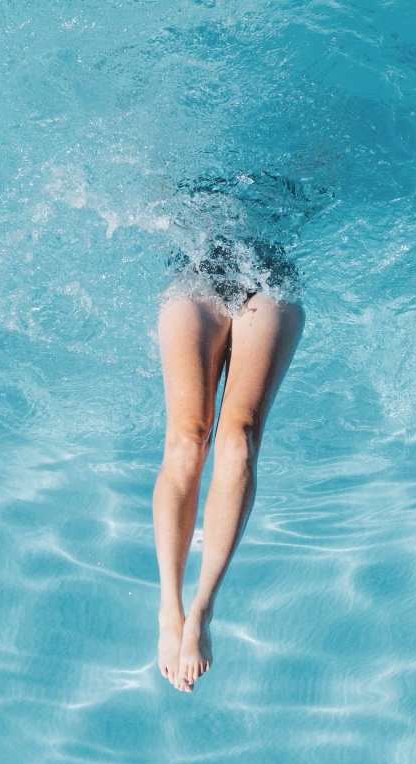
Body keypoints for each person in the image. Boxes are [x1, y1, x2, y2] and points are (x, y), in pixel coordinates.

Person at [153, 234, 304, 692]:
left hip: (268, 280)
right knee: (187, 440)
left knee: (238, 441)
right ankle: (169, 609)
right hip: (197, 277)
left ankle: (202, 608)